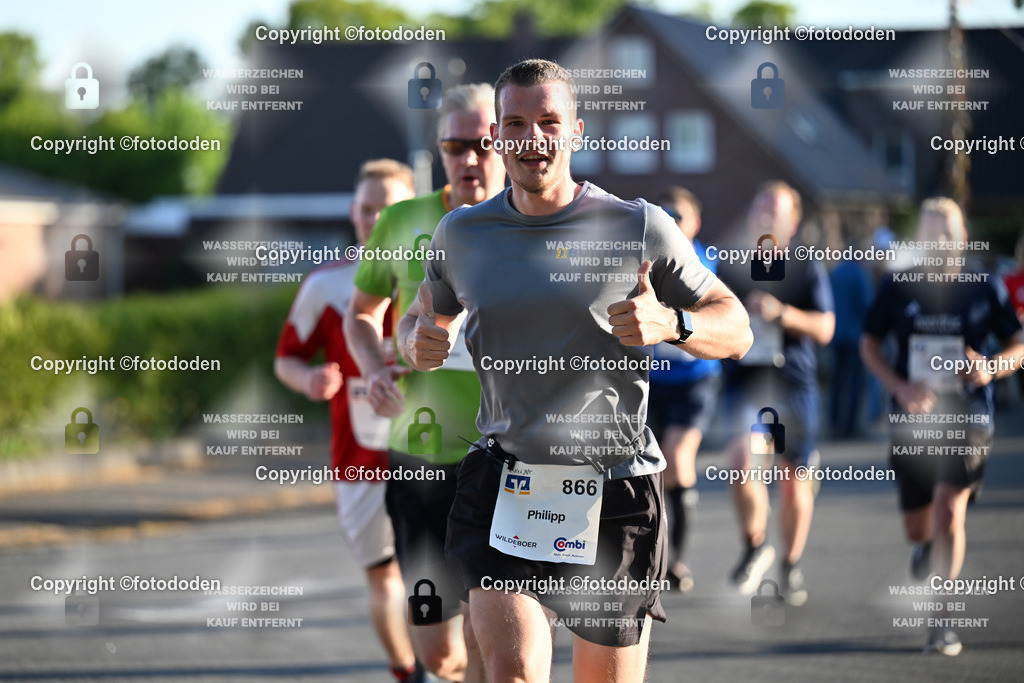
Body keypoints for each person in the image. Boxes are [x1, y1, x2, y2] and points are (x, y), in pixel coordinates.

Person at [399, 59, 752, 683]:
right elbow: (422, 319)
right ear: (497, 136)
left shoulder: (637, 225)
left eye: (549, 122)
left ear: (577, 131)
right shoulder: (461, 234)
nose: (532, 139)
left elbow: (737, 325)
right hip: (507, 480)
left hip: (613, 487)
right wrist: (416, 342)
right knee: (511, 673)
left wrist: (674, 325)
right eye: (515, 124)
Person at [344, 84, 506, 683]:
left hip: (503, 456)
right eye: (457, 145)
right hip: (420, 456)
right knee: (439, 651)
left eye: (485, 143)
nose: (471, 158)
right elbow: (360, 313)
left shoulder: (536, 222)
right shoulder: (402, 221)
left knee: (494, 629)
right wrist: (373, 369)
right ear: (439, 150)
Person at [274, 159, 420, 682]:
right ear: (352, 213)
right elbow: (286, 358)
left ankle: (443, 668)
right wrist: (307, 380)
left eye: (389, 209)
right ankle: (408, 671)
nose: (375, 219)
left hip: (440, 455)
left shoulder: (447, 274)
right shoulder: (327, 284)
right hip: (360, 461)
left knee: (448, 577)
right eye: (365, 209)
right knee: (384, 578)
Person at [860, 197, 1023, 656]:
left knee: (950, 509)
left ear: (963, 240)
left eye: (947, 234)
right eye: (930, 233)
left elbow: (1019, 343)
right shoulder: (899, 286)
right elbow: (868, 344)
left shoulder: (982, 286)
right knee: (919, 527)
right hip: (914, 418)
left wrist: (990, 367)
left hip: (968, 415)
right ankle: (926, 549)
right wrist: (899, 385)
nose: (938, 242)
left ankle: (942, 617)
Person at [715, 181, 835, 606]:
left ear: (792, 222)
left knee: (792, 481)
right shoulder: (731, 264)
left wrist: (781, 313)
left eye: (774, 211)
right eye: (759, 208)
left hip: (794, 386)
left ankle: (791, 565)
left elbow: (825, 328)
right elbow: (709, 316)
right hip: (747, 383)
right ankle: (755, 544)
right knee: (740, 462)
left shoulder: (805, 266)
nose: (765, 216)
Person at [648, 187, 721, 592]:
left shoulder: (707, 262)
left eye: (679, 214)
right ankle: (654, 555)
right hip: (652, 383)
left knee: (677, 458)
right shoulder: (642, 263)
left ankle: (679, 560)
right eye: (665, 214)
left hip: (694, 383)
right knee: (652, 471)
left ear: (694, 222)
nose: (672, 220)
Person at [828, 242, 874, 437]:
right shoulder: (859, 274)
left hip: (835, 335)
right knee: (854, 383)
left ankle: (834, 423)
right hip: (854, 337)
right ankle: (850, 426)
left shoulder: (835, 273)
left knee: (837, 381)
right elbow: (867, 305)